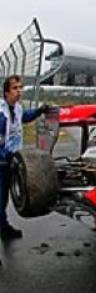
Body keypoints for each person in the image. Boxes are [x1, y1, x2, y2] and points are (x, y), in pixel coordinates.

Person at [0, 75, 51, 241]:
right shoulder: (1, 112)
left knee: (3, 200)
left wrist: (39, 111)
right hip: (1, 162)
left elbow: (25, 117)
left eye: (21, 87)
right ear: (6, 93)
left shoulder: (17, 108)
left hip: (11, 161)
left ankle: (4, 227)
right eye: (15, 88)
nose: (19, 91)